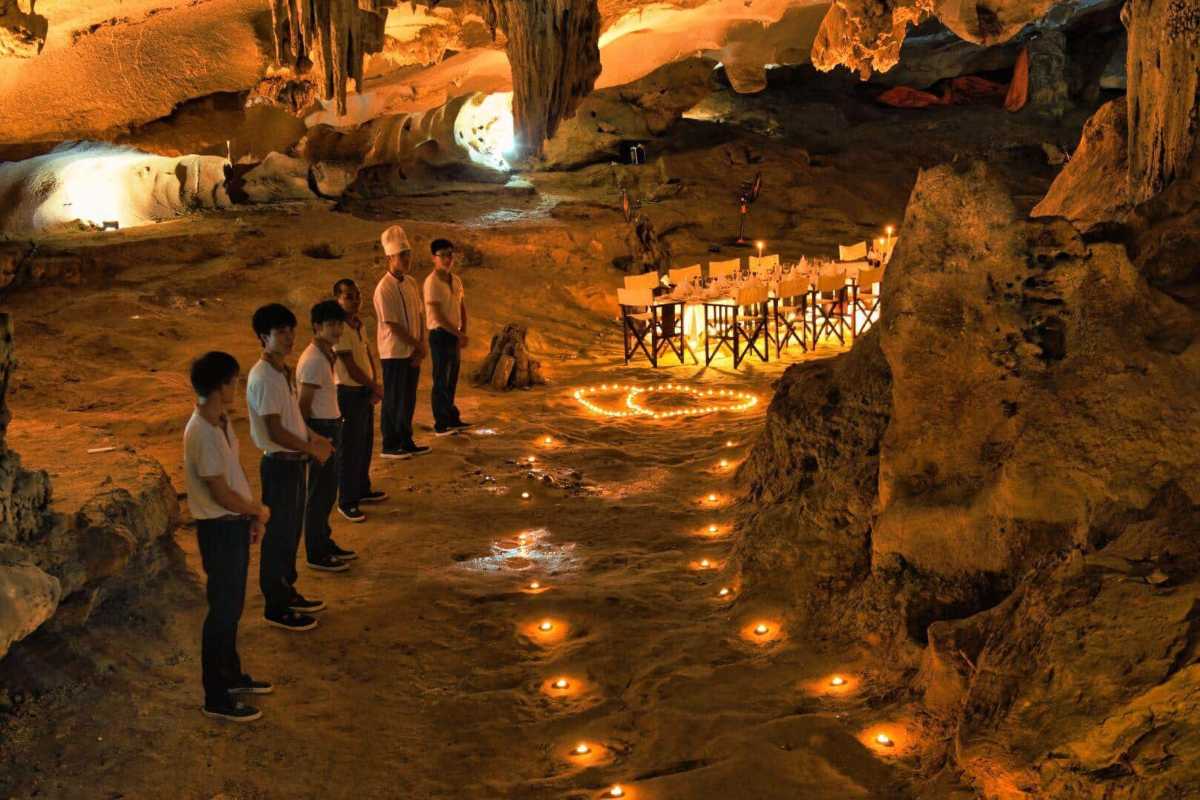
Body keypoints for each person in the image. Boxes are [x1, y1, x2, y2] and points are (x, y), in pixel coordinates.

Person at [183, 351, 273, 722]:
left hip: (231, 524)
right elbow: (219, 492)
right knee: (222, 612)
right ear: (221, 386)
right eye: (233, 380)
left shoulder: (220, 421)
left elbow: (233, 474)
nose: (236, 386)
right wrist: (256, 510)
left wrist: (249, 512)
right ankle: (216, 696)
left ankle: (230, 675)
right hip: (218, 529)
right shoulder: (201, 432)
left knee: (232, 607)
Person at [246, 303, 334, 632]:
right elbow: (274, 431)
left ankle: (287, 589)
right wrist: (311, 447)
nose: (288, 338)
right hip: (279, 465)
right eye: (280, 332)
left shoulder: (282, 371)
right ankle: (276, 605)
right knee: (279, 535)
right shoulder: (264, 377)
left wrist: (314, 439)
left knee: (290, 532)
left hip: (293, 463)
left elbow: (293, 420)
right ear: (262, 337)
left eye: (290, 330)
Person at [297, 300, 356, 571]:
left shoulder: (325, 355)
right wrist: (311, 440)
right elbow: (303, 407)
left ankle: (324, 540)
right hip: (321, 430)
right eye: (330, 324)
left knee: (328, 491)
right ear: (317, 327)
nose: (336, 329)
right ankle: (316, 552)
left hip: (331, 426)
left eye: (338, 323)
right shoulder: (312, 360)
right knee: (319, 493)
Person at [332, 278, 387, 523]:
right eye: (349, 297)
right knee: (350, 447)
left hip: (363, 390)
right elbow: (350, 367)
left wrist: (375, 383)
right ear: (338, 299)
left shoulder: (358, 324)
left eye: (357, 296)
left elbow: (365, 355)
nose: (355, 301)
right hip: (349, 391)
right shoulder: (339, 328)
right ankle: (347, 500)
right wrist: (373, 385)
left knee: (365, 443)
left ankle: (362, 488)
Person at [373, 225, 430, 459]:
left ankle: (406, 440)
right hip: (394, 353)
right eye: (401, 255)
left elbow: (419, 315)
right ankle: (390, 443)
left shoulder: (411, 283)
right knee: (394, 398)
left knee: (408, 397)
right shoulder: (383, 288)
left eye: (408, 254)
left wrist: (421, 345)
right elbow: (392, 325)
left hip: (412, 351)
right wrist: (417, 345)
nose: (406, 259)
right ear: (390, 257)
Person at [423, 238, 472, 435]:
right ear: (434, 258)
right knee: (441, 379)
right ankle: (441, 423)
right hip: (440, 335)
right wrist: (458, 333)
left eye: (450, 254)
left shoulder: (456, 280)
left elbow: (461, 306)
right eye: (443, 255)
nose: (447, 259)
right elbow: (437, 315)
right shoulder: (431, 282)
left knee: (451, 378)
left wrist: (463, 330)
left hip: (454, 334)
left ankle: (452, 418)